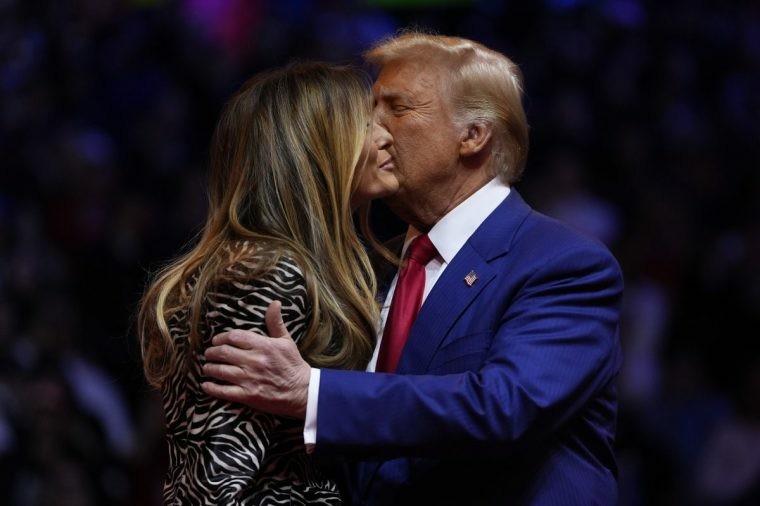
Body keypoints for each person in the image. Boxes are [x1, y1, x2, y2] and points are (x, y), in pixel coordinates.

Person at [202, 32, 624, 505]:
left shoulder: (563, 263)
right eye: (371, 109)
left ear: (473, 135)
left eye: (397, 109)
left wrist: (315, 394)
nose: (373, 129)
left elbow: (503, 405)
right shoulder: (366, 269)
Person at [136, 62, 398, 504]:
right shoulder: (263, 273)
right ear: (313, 148)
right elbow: (213, 485)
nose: (386, 137)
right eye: (366, 124)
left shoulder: (278, 264)